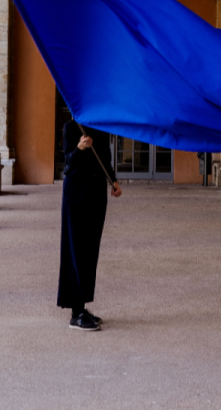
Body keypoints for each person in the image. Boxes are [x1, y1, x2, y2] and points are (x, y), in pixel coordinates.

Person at [58, 120, 123, 331]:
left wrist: (113, 180)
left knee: (90, 250)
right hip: (76, 192)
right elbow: (68, 163)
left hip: (96, 192)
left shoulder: (101, 128)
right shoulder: (70, 129)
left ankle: (82, 306)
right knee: (76, 249)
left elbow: (104, 158)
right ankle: (75, 313)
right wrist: (79, 148)